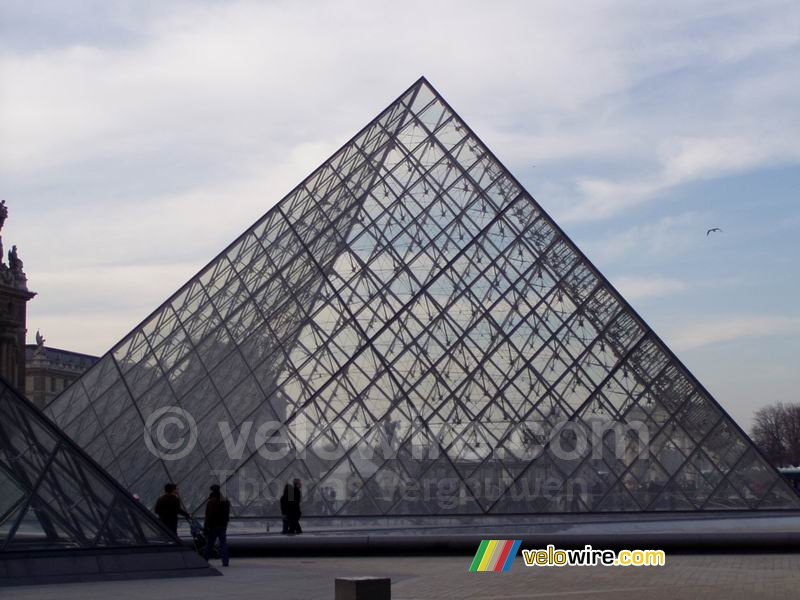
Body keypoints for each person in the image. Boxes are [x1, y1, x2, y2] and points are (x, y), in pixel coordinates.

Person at [203, 484, 230, 567]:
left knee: (209, 544)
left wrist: (205, 527)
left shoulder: (211, 502)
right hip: (222, 525)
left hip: (213, 526)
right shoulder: (225, 501)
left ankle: (205, 560)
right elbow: (227, 514)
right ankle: (225, 562)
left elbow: (208, 516)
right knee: (223, 544)